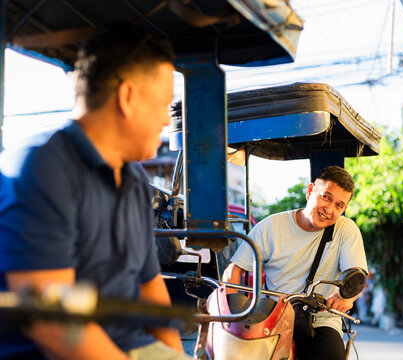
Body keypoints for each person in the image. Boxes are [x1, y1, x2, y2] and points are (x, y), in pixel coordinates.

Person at [0, 23, 191, 359]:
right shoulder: (43, 166)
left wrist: (175, 355)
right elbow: (53, 324)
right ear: (128, 97)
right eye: (163, 104)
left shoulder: (133, 182)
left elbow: (150, 288)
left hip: (129, 346)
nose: (166, 119)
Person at [223, 166, 368, 360]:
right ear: (310, 191)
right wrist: (231, 316)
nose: (329, 209)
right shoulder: (271, 227)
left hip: (321, 320)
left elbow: (355, 274)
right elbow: (234, 270)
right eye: (326, 197)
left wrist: (346, 299)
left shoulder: (346, 229)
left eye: (339, 205)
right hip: (272, 318)